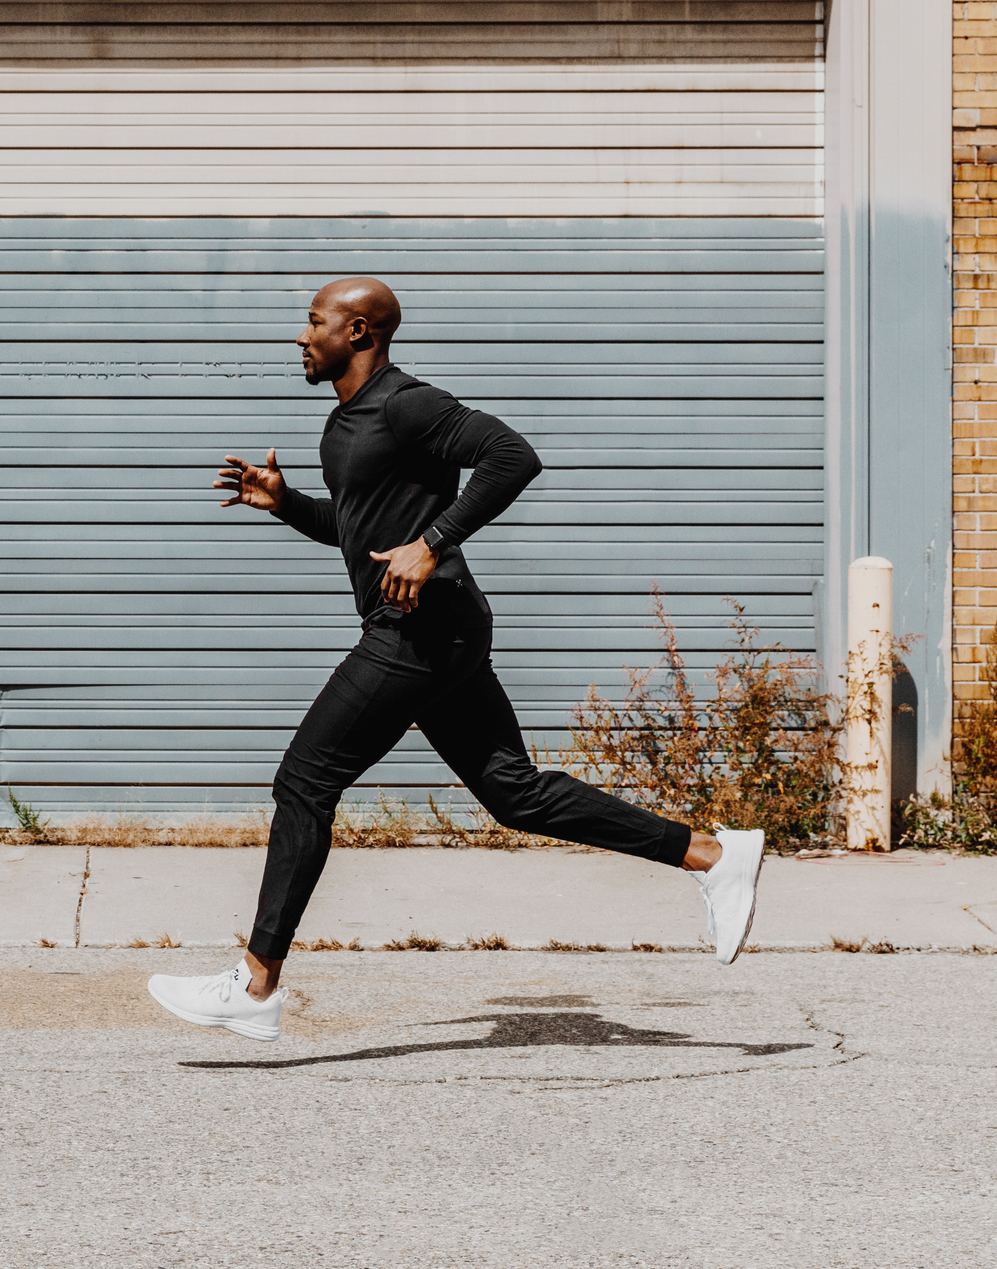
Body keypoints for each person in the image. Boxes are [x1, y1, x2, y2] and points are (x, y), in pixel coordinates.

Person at [146, 277, 765, 1042]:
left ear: (361, 332)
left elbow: (511, 456)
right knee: (516, 794)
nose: (299, 338)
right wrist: (288, 504)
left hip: (419, 632)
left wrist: (433, 543)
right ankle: (711, 855)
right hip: (442, 629)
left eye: (314, 323)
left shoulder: (407, 403)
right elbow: (362, 527)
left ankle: (254, 982)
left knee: (304, 782)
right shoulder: (344, 424)